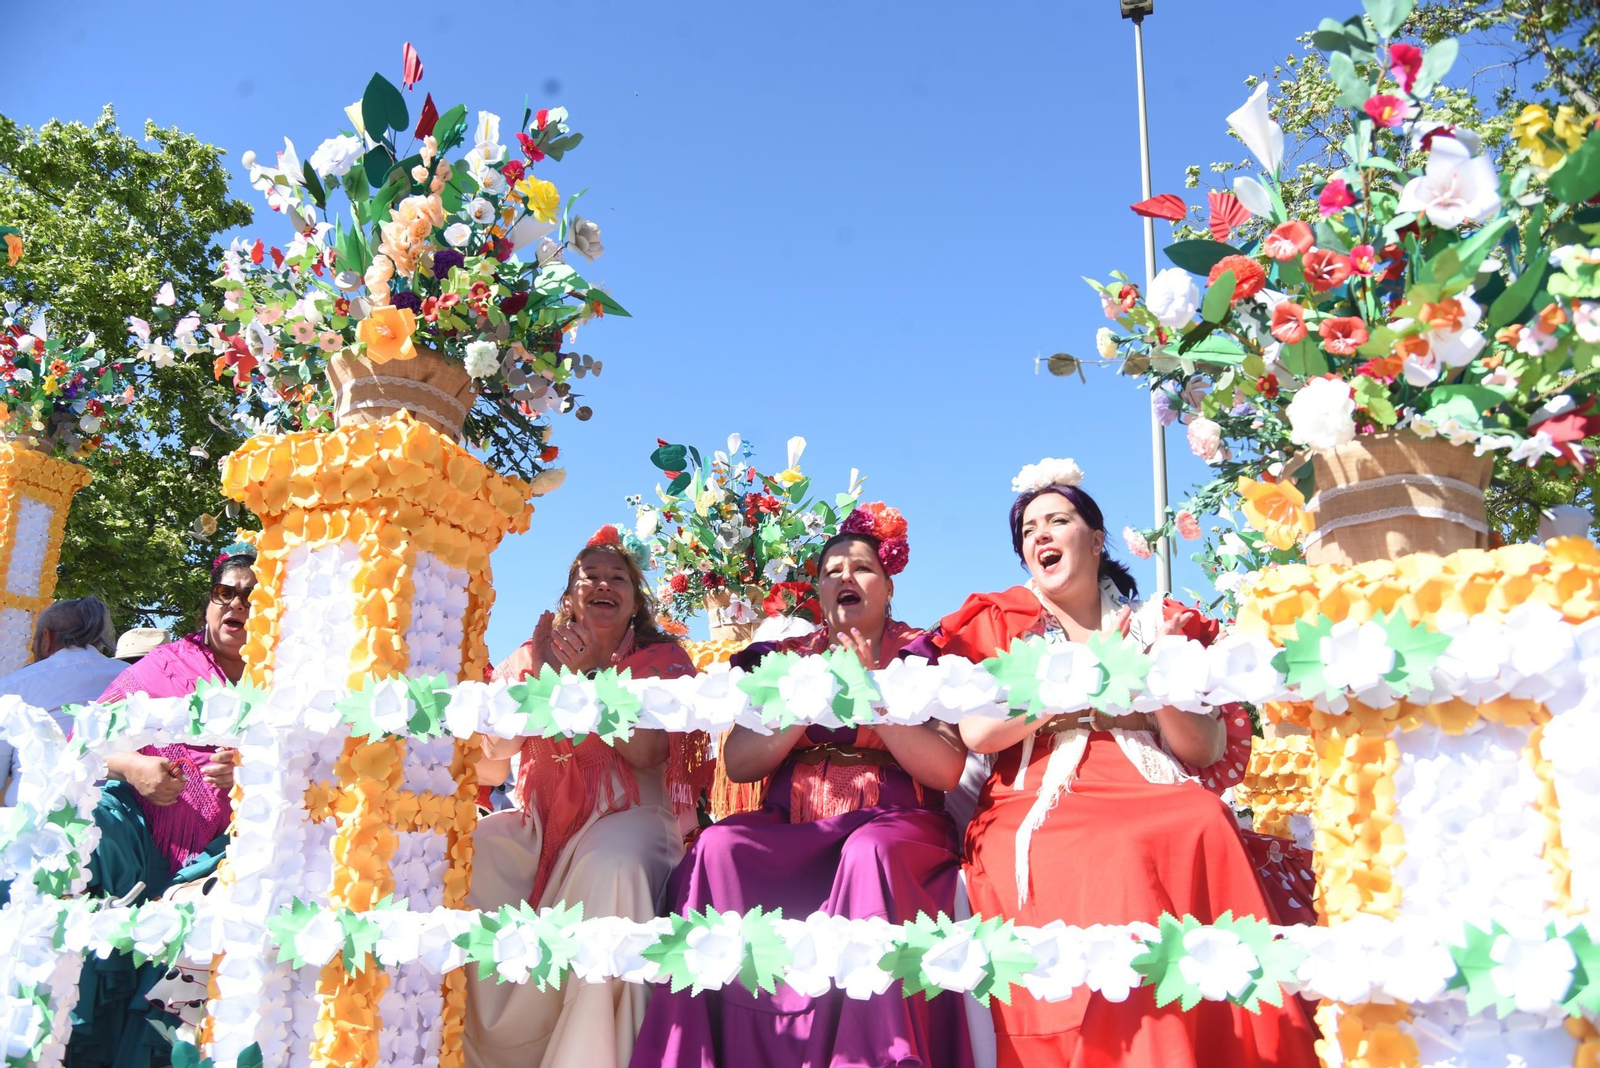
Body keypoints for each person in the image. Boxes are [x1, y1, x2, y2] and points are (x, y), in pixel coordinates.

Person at [926, 462, 1319, 1068]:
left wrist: (1163, 671)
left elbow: (1201, 753)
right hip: (1040, 796)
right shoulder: (1004, 620)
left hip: (1149, 781)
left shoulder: (1158, 622)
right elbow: (978, 730)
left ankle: (1223, 1047)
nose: (1041, 536)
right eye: (1028, 530)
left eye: (1058, 520)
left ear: (1097, 538)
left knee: (1203, 816)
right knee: (1117, 848)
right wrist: (1079, 683)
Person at [629, 503, 973, 1068]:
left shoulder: (923, 651)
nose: (845, 578)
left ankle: (870, 1054)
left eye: (861, 568)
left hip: (893, 821)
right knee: (717, 848)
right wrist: (799, 704)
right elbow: (740, 764)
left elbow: (944, 770)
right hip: (791, 821)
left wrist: (868, 695)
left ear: (887, 588)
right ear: (816, 589)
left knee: (869, 853)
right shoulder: (783, 659)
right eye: (832, 570)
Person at [466, 526, 704, 1068]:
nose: (602, 584)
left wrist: (585, 682)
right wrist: (542, 679)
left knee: (612, 863)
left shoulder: (659, 657)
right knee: (474, 851)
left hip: (629, 819)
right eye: (587, 576)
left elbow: (648, 753)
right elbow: (493, 755)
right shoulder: (532, 653)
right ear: (569, 595)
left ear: (635, 598)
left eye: (617, 577)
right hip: (539, 823)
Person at [67, 544, 255, 1068]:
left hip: (223, 872)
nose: (235, 604)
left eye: (251, 596)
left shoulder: (286, 681)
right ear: (209, 602)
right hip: (140, 857)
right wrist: (134, 769)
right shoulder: (166, 664)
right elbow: (82, 746)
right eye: (225, 592)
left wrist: (253, 776)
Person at [0, 597, 125, 807]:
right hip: (124, 823)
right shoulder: (132, 677)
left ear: (46, 637)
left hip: (36, 826)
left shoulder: (13, 686)